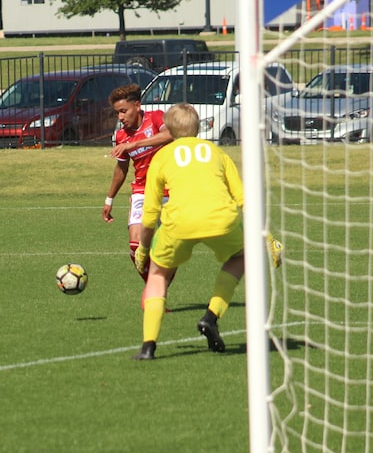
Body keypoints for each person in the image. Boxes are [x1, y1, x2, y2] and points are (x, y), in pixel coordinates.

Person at [131, 102, 273, 361]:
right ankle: (211, 315)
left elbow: (150, 211)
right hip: (222, 219)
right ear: (197, 128)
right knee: (241, 258)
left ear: (170, 130)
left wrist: (143, 249)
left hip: (179, 222)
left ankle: (148, 346)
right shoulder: (216, 152)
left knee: (158, 275)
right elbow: (243, 198)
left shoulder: (161, 157)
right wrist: (267, 236)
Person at [103, 83, 173, 282]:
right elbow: (121, 169)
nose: (120, 117)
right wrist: (109, 199)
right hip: (142, 189)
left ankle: (161, 286)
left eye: (123, 111)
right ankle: (153, 286)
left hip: (170, 189)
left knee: (171, 246)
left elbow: (170, 135)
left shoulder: (156, 118)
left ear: (137, 105)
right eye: (117, 113)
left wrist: (135, 143)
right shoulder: (121, 136)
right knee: (135, 244)